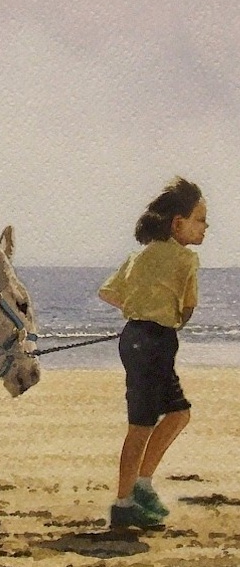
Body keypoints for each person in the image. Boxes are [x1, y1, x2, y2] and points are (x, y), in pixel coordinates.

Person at [98, 176, 208, 529]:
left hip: (134, 338)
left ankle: (138, 488)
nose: (206, 227)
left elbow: (108, 292)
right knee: (145, 423)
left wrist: (138, 308)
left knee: (173, 415)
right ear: (178, 224)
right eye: (200, 219)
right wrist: (167, 313)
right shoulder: (186, 260)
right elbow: (188, 308)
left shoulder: (138, 256)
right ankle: (126, 500)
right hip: (157, 341)